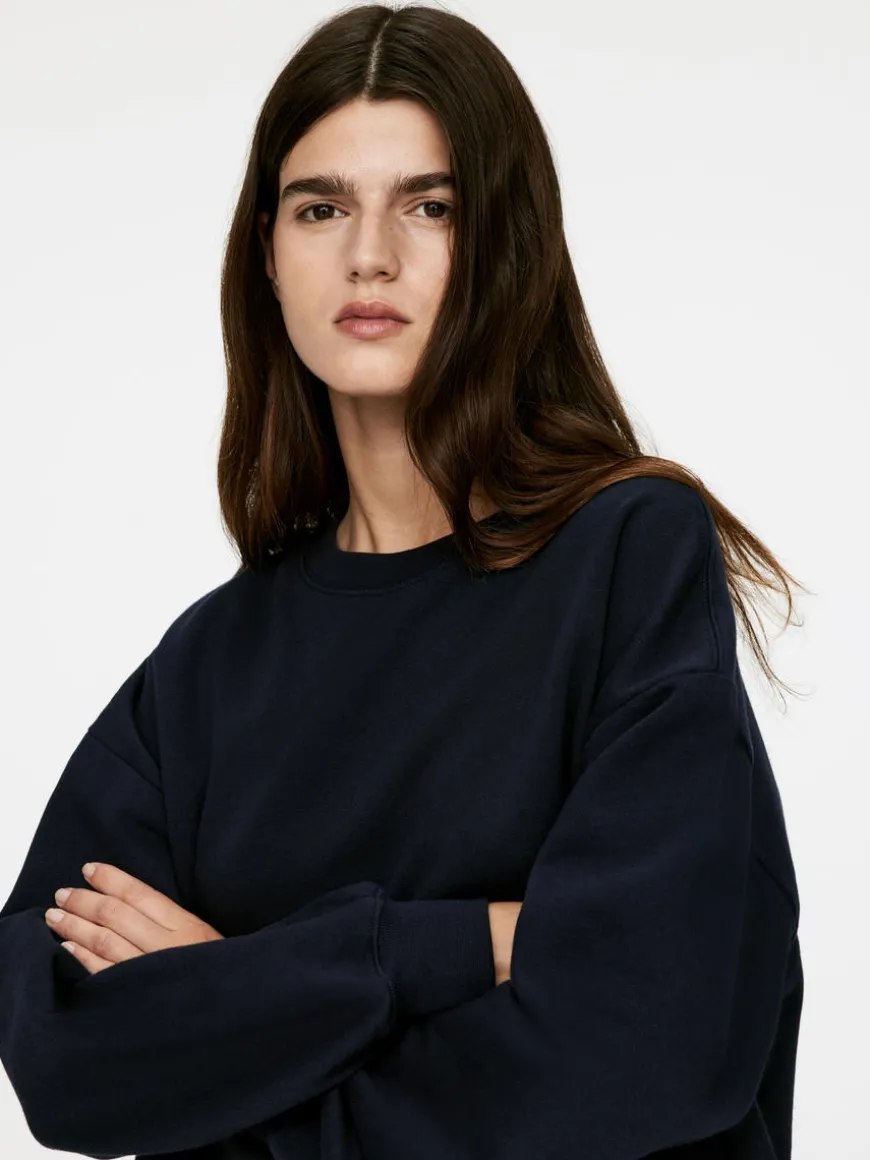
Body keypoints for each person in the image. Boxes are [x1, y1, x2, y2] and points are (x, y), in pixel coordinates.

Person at [0, 5, 807, 1159]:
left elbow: (655, 1036)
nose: (369, 254)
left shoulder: (627, 558)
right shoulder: (212, 662)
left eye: (431, 206)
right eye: (320, 207)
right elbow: (64, 1054)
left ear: (506, 244)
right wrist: (468, 944)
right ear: (267, 254)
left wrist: (238, 1003)